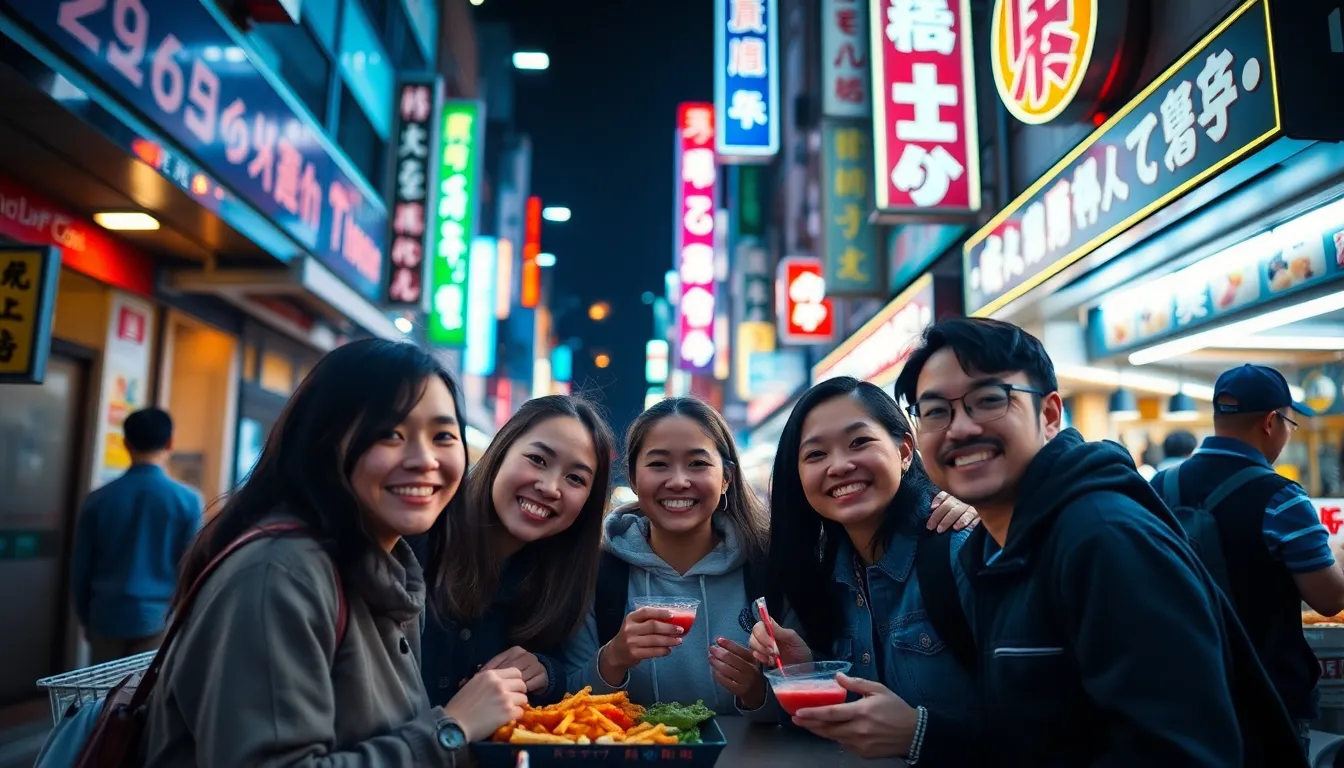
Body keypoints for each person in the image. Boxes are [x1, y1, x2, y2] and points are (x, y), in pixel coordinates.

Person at [893, 317, 1306, 767]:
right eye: (936, 411)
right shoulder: (991, 548)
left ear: (1049, 415)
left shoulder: (1104, 538)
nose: (960, 428)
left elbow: (1182, 753)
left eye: (989, 400)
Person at [141, 339, 522, 766]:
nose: (424, 459)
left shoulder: (382, 565)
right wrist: (452, 729)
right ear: (322, 441)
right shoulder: (280, 573)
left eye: (443, 436)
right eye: (390, 434)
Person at [747, 377, 981, 764]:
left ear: (904, 450)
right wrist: (806, 672)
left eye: (859, 442)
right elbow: (855, 727)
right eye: (816, 454)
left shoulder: (961, 550)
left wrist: (920, 734)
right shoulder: (830, 577)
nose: (840, 466)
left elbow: (1047, 724)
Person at [1153, 364, 1344, 755]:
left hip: (1180, 690)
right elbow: (1329, 599)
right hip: (1266, 701)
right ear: (1271, 422)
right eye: (1291, 424)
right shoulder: (1281, 497)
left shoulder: (1159, 488)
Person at [564, 397, 773, 714]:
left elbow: (807, 693)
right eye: (658, 464)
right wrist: (613, 658)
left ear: (726, 478)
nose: (678, 481)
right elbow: (564, 699)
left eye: (698, 464)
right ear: (633, 478)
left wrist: (757, 693)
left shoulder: (766, 568)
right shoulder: (596, 573)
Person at [418, 395, 615, 708]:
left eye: (575, 478)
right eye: (537, 459)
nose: (550, 487)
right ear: (502, 451)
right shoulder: (416, 542)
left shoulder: (564, 580)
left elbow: (561, 670)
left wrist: (545, 673)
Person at [71, 407, 203, 664]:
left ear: (126, 444)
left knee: (104, 689)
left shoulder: (98, 500)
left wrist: (87, 617)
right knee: (147, 688)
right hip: (159, 618)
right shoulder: (188, 501)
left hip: (105, 616)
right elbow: (190, 568)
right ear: (170, 443)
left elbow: (81, 569)